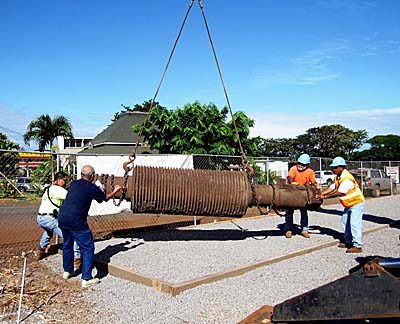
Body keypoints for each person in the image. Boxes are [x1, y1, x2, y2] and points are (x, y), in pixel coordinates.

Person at [58, 165, 122, 288]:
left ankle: (68, 271)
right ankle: (86, 278)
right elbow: (104, 198)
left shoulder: (74, 184)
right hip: (77, 221)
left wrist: (98, 189)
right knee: (88, 248)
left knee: (67, 245)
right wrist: (115, 190)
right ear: (92, 176)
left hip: (63, 218)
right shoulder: (91, 187)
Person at [318, 157, 365, 253]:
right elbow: (332, 187)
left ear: (341, 167)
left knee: (354, 224)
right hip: (348, 204)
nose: (333, 169)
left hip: (356, 202)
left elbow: (340, 192)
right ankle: (348, 241)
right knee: (345, 222)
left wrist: (325, 197)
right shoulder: (338, 177)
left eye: (335, 167)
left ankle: (357, 245)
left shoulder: (347, 178)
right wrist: (322, 193)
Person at [37, 171, 81, 267]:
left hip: (41, 218)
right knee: (69, 236)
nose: (65, 182)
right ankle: (77, 259)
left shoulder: (49, 189)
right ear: (58, 180)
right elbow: (72, 197)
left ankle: (41, 250)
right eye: (64, 180)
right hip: (49, 218)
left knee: (48, 232)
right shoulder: (59, 190)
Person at [285, 153, 320, 238]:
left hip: (303, 194)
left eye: (302, 164)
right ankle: (288, 229)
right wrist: (292, 182)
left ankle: (304, 229)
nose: (300, 165)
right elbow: (290, 177)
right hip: (292, 192)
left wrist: (317, 186)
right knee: (289, 211)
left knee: (304, 212)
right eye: (299, 163)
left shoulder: (310, 172)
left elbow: (313, 182)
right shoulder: (293, 169)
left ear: (306, 165)